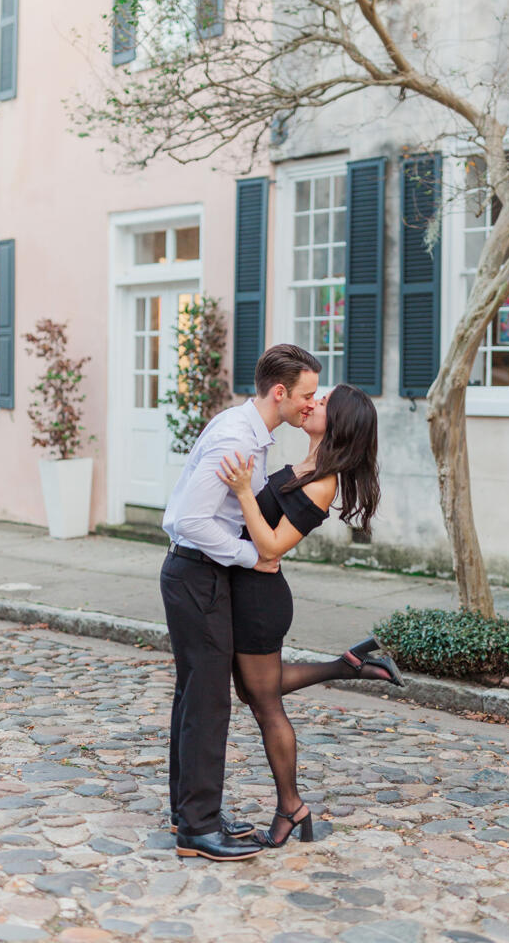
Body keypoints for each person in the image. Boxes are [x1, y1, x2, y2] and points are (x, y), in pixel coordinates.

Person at [217, 384, 403, 849]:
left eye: (324, 402)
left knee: (265, 704)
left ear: (337, 421)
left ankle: (291, 806)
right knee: (254, 690)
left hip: (261, 601)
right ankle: (348, 665)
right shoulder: (306, 465)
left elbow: (273, 546)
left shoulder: (323, 482)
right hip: (250, 589)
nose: (313, 402)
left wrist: (242, 491)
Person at [160, 343, 321, 861]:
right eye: (306, 395)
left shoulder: (247, 429)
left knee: (194, 696)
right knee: (207, 703)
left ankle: (191, 812)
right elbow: (193, 521)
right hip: (198, 573)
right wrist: (250, 556)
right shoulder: (238, 438)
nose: (309, 404)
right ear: (281, 392)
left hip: (198, 573)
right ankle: (198, 832)